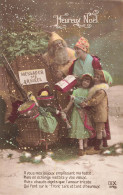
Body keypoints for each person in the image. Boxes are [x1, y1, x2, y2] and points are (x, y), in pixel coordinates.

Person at [63, 74, 95, 156]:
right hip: (77, 112)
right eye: (84, 80)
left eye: (88, 82)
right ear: (81, 81)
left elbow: (90, 102)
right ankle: (80, 148)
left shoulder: (89, 92)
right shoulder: (76, 91)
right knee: (80, 128)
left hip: (85, 112)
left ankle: (85, 145)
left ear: (90, 83)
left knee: (86, 128)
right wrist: (67, 108)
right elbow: (72, 101)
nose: (85, 83)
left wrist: (86, 104)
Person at [81, 69, 112, 152]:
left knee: (99, 130)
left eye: (98, 77)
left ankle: (97, 146)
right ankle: (104, 143)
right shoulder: (98, 90)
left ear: (102, 79)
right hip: (100, 113)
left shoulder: (101, 91)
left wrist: (87, 103)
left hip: (99, 113)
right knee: (102, 129)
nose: (95, 78)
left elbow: (95, 101)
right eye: (95, 76)